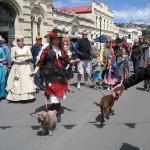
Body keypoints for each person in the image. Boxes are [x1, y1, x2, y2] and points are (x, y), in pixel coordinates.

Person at [30, 29, 80, 122]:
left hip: (59, 73)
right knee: (52, 92)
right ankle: (56, 111)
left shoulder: (61, 49)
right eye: (55, 39)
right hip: (49, 73)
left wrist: (75, 61)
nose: (57, 41)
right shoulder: (47, 49)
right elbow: (40, 62)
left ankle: (56, 110)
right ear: (52, 39)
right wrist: (34, 71)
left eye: (58, 39)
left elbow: (67, 60)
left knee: (58, 93)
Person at [6, 35, 36, 102]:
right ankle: (17, 97)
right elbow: (12, 58)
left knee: (26, 81)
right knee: (17, 82)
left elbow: (31, 56)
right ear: (17, 41)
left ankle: (27, 97)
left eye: (22, 40)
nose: (21, 42)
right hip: (17, 66)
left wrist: (25, 58)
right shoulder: (14, 49)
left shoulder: (27, 48)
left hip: (25, 66)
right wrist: (17, 61)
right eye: (19, 41)